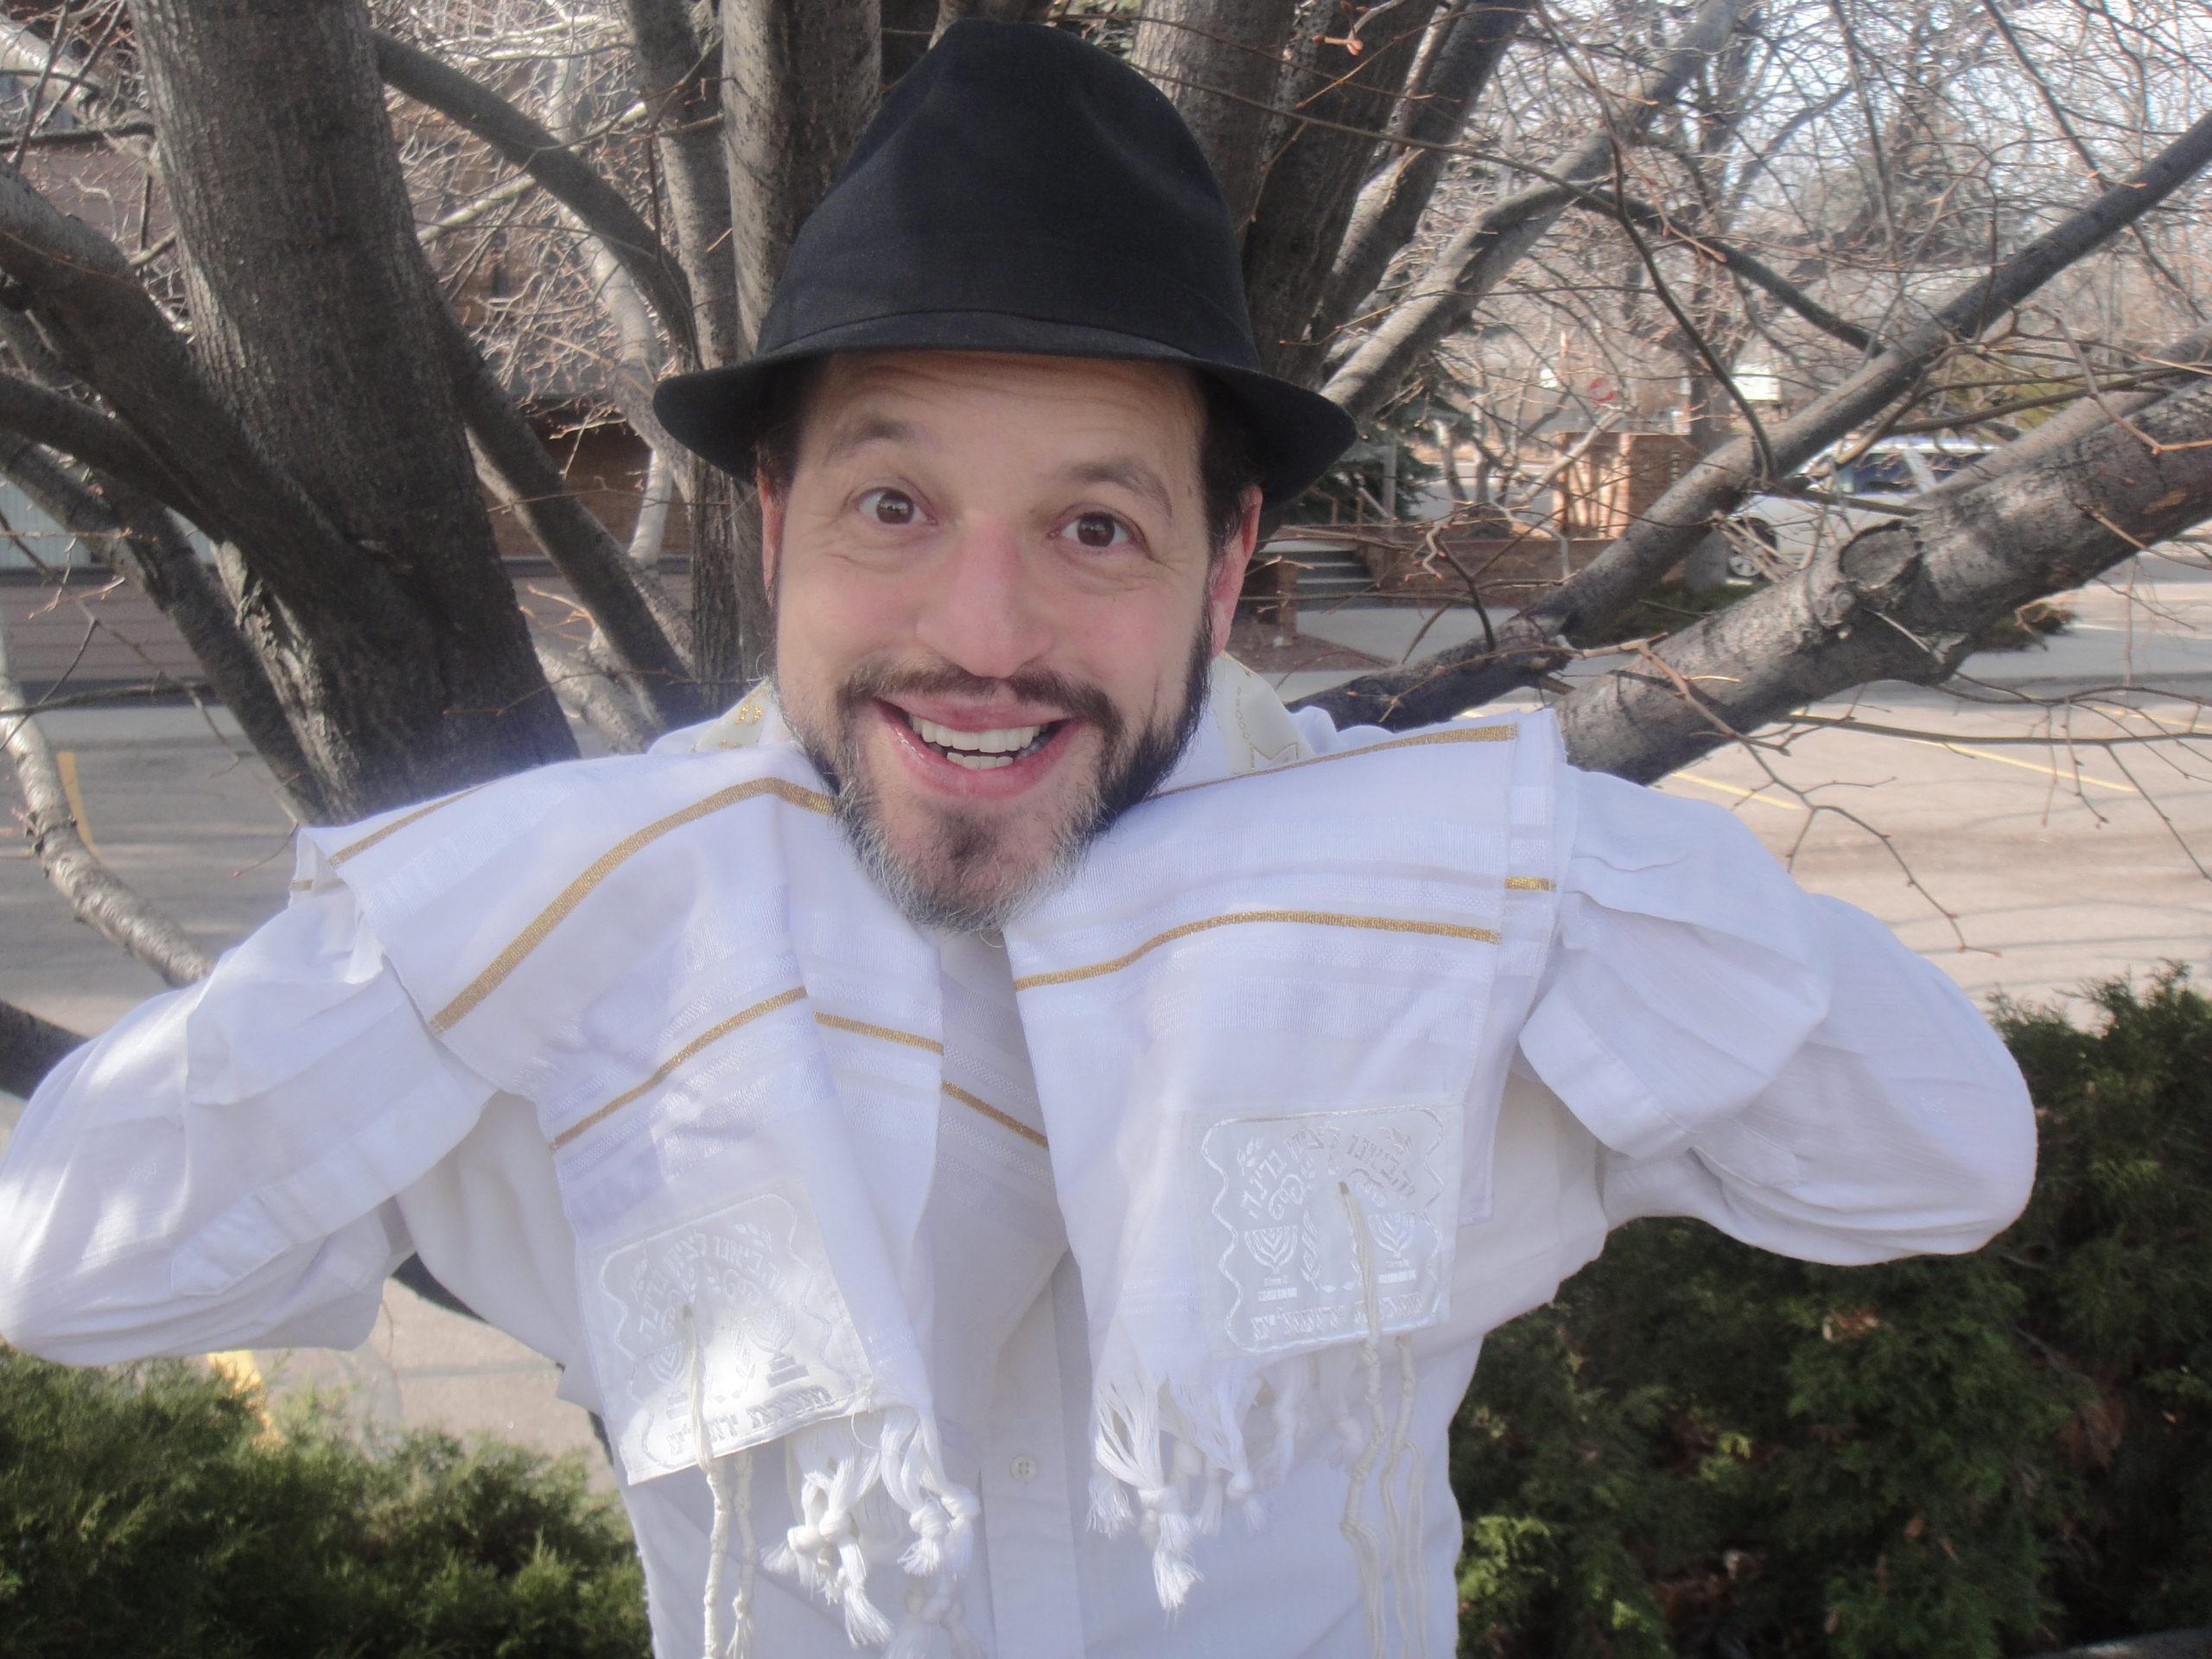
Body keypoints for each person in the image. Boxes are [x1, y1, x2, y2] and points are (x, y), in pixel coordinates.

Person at [0, 21, 2032, 1659]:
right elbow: (74, 1267)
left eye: (1093, 525)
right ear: (773, 530)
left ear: (1222, 563)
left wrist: (1523, 846)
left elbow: (1936, 1163)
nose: (982, 633)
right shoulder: (574, 970)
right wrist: (460, 911)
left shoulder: (1444, 941)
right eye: (892, 508)